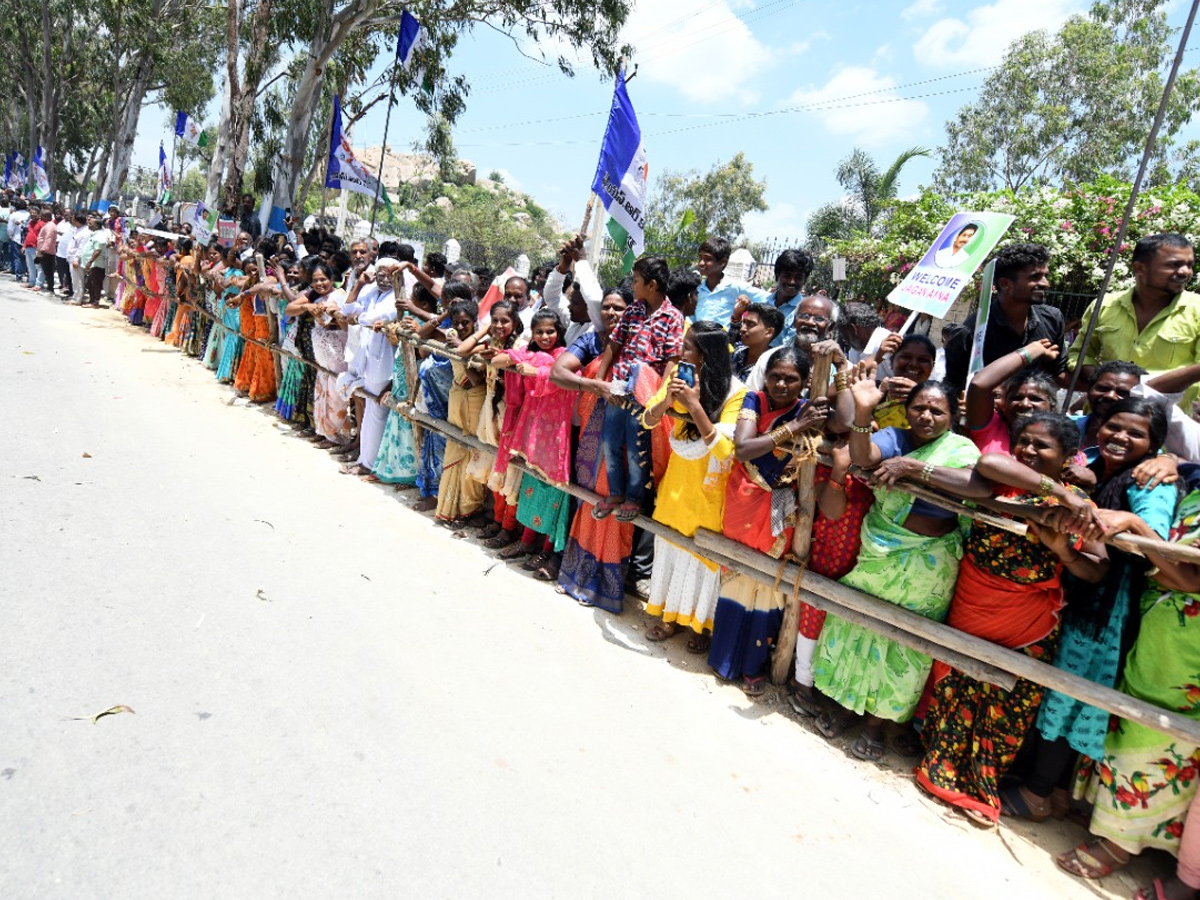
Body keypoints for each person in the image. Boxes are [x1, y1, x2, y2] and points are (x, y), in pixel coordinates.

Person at [915, 413, 1108, 824]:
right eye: (1025, 442)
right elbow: (988, 463)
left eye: (1043, 446)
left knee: (1006, 707)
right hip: (974, 599)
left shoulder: (1079, 507)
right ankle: (939, 770)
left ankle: (981, 786)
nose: (1029, 451)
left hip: (1029, 620)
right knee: (956, 686)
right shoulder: (1002, 482)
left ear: (1068, 456)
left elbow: (1097, 570)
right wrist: (1057, 493)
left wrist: (1063, 550)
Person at [1006, 398, 1178, 832]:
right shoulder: (1106, 466)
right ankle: (1057, 792)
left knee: (1071, 694)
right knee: (1071, 694)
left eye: (1135, 434)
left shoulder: (1149, 484)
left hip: (1107, 609)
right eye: (1114, 427)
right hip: (1091, 593)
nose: (1120, 437)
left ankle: (1037, 794)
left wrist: (1131, 525)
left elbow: (1152, 545)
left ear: (1155, 445)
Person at [812, 379, 982, 760]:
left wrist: (913, 468)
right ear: (907, 409)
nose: (926, 416)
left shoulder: (962, 450)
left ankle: (876, 723)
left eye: (937, 410)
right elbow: (865, 456)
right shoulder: (896, 437)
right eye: (920, 407)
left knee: (904, 645)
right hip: (880, 551)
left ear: (953, 417)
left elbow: (977, 485)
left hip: (927, 564)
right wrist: (864, 412)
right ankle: (843, 705)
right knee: (857, 625)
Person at [1068, 486, 1200, 892]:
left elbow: (1192, 580)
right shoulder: (1194, 488)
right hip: (1161, 627)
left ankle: (1120, 844)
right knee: (1131, 722)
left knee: (1159, 736)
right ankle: (1116, 832)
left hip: (1188, 648)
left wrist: (1138, 526)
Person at [710, 347, 825, 693]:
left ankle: (753, 666)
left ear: (804, 382)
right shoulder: (754, 401)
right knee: (738, 575)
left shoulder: (810, 409)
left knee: (770, 585)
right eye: (776, 375)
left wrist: (845, 368)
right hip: (744, 496)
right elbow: (743, 449)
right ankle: (724, 656)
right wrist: (793, 428)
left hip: (781, 505)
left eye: (791, 378)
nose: (781, 384)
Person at [640, 321, 747, 650]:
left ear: (705, 355)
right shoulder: (678, 377)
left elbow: (726, 448)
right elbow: (648, 419)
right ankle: (668, 618)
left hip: (708, 491)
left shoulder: (736, 391)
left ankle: (699, 626)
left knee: (700, 558)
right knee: (671, 550)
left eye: (687, 347)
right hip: (677, 484)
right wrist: (668, 399)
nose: (680, 351)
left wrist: (695, 405)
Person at [553, 286, 639, 612]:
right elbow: (558, 372)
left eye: (619, 308)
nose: (611, 314)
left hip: (624, 439)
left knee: (611, 505)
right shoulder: (592, 340)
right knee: (588, 498)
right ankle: (575, 577)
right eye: (607, 308)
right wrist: (595, 386)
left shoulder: (639, 345)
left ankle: (604, 587)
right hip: (591, 433)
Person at [593, 256, 684, 522]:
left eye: (635, 280)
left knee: (636, 446)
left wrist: (659, 395)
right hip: (619, 386)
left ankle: (634, 497)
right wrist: (600, 379)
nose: (632, 284)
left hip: (646, 393)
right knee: (610, 441)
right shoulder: (633, 310)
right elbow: (614, 344)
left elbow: (672, 359)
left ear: (652, 284)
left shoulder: (673, 317)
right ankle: (616, 492)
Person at [1069, 234, 1200, 409]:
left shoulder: (1196, 310)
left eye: (1189, 265)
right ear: (1140, 268)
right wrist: (1108, 384)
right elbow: (1078, 354)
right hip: (1104, 418)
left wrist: (1138, 389)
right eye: (1174, 264)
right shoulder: (1105, 305)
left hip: (1167, 424)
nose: (1185, 272)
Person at [492, 308, 572, 579]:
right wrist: (510, 361)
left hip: (556, 434)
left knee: (552, 491)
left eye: (550, 331)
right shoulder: (530, 351)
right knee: (531, 484)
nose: (545, 336)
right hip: (536, 433)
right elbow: (504, 360)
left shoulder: (563, 356)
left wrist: (536, 370)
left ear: (559, 331)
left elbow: (563, 377)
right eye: (539, 332)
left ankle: (547, 549)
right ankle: (527, 541)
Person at [944, 243, 1066, 388]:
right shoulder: (971, 333)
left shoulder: (1052, 319)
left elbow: (1060, 375)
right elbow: (953, 388)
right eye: (1035, 277)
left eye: (1045, 275)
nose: (1046, 283)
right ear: (1005, 284)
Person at [339, 259, 401, 475]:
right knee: (369, 412)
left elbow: (374, 318)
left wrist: (357, 317)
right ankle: (363, 460)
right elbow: (347, 309)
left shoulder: (398, 296)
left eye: (388, 274)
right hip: (366, 360)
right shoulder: (371, 290)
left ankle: (370, 464)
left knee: (376, 413)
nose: (383, 278)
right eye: (380, 273)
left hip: (382, 363)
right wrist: (358, 284)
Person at [964, 338, 1060, 454]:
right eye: (1016, 398)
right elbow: (979, 385)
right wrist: (1030, 352)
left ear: (1052, 406)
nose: (1024, 404)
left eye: (1035, 399)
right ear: (1004, 404)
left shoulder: (1060, 441)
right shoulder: (992, 427)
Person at [729, 248, 814, 347]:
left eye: (798, 277)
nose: (792, 282)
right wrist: (738, 315)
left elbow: (789, 348)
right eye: (787, 276)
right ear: (777, 276)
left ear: (804, 280)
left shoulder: (804, 312)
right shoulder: (761, 301)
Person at [694, 236, 767, 327]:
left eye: (707, 259)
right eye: (700, 258)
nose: (701, 263)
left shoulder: (736, 288)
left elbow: (770, 299)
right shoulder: (697, 290)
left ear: (722, 262)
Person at [730, 302, 783, 382]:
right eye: (744, 322)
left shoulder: (772, 367)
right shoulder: (736, 352)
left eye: (750, 324)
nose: (742, 329)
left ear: (769, 332)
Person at [80, 213, 114, 308]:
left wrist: (90, 262)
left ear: (96, 225)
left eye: (90, 223)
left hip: (96, 264)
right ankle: (92, 300)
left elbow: (97, 251)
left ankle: (95, 302)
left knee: (94, 283)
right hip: (93, 264)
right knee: (90, 283)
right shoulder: (94, 234)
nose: (88, 225)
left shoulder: (100, 236)